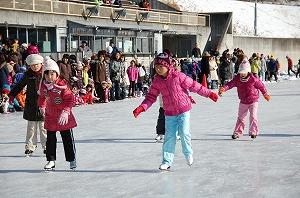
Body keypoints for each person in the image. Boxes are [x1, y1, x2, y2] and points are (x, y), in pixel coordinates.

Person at [132, 52, 219, 170]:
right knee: (169, 137)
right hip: (169, 113)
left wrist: (209, 93)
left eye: (160, 66)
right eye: (156, 66)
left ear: (167, 66)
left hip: (183, 110)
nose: (158, 69)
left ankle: (188, 154)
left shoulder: (178, 76)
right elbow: (151, 97)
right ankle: (167, 161)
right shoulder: (157, 81)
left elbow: (194, 86)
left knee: (184, 133)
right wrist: (142, 107)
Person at [38, 57, 77, 171]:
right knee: (50, 140)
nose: (49, 77)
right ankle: (51, 160)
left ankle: (71, 159)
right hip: (50, 117)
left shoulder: (62, 85)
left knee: (67, 139)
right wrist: (42, 106)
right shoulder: (44, 86)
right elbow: (41, 97)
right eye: (47, 74)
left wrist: (65, 111)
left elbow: (70, 99)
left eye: (52, 74)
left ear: (57, 74)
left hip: (63, 117)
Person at [218, 59, 270, 140]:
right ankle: (237, 132)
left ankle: (253, 132)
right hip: (243, 101)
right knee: (241, 117)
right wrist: (224, 88)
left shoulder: (253, 79)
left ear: (248, 71)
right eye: (241, 72)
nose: (242, 74)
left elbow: (261, 86)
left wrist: (265, 94)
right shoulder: (237, 79)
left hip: (253, 101)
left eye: (244, 72)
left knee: (253, 116)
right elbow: (230, 84)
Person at [9, 54, 47, 155]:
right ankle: (30, 146)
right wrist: (11, 95)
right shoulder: (28, 74)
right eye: (32, 65)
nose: (35, 67)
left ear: (41, 64)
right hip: (31, 104)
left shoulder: (45, 74)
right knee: (31, 128)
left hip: (43, 104)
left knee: (43, 127)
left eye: (37, 64)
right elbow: (20, 85)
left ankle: (47, 146)